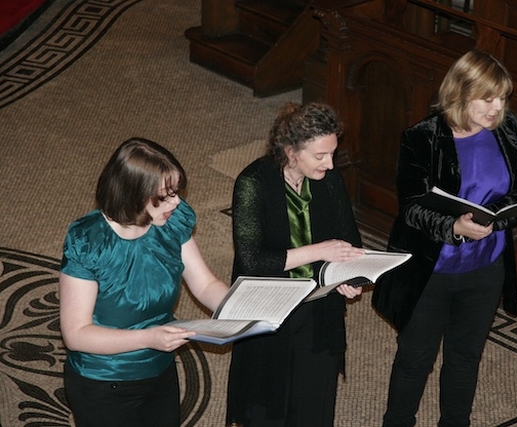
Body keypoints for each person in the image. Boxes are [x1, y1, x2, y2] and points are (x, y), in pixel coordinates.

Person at [372, 50, 517, 427]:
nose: (498, 108)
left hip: (486, 269)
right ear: (460, 92)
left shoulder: (508, 130)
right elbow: (411, 208)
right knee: (415, 360)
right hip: (432, 270)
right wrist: (453, 228)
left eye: (503, 98)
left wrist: (499, 216)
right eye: (488, 98)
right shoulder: (422, 137)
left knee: (465, 359)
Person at [59, 137, 230, 427]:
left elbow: (204, 284)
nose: (176, 201)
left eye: (175, 191)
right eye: (165, 195)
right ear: (132, 194)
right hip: (103, 384)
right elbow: (76, 334)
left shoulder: (172, 222)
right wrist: (148, 338)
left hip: (160, 370)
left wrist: (241, 306)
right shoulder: (89, 242)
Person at [226, 102, 365, 427]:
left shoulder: (328, 180)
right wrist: (320, 251)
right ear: (290, 151)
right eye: (320, 156)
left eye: (332, 153)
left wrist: (348, 275)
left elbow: (349, 239)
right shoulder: (253, 183)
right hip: (268, 311)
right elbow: (254, 262)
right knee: (268, 409)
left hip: (318, 309)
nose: (330, 164)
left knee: (313, 406)